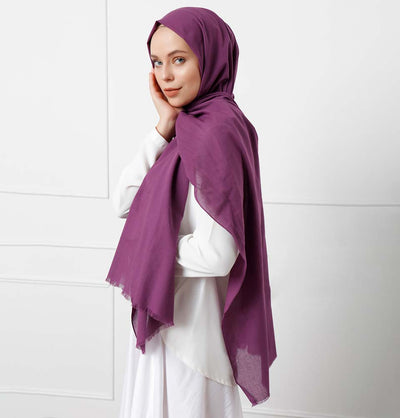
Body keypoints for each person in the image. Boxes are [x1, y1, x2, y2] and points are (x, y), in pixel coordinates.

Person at [106, 7, 277, 417]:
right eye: (156, 62)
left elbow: (218, 254)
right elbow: (124, 202)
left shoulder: (216, 130)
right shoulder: (189, 126)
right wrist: (162, 127)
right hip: (169, 321)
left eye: (179, 59)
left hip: (188, 339)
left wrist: (149, 249)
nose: (165, 75)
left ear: (210, 56)